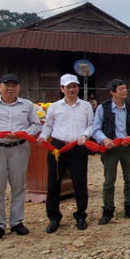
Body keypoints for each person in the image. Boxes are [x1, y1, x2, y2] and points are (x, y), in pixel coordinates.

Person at [0, 73, 42, 242]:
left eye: (14, 85)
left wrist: (23, 134)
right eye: (7, 84)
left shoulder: (26, 105)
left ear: (19, 87)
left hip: (19, 148)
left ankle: (16, 221)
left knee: (18, 186)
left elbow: (36, 125)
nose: (10, 88)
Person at [38, 74, 94, 233]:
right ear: (62, 89)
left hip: (77, 146)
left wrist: (85, 135)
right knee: (54, 183)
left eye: (74, 86)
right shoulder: (55, 107)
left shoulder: (85, 106)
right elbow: (48, 126)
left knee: (80, 183)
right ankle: (54, 217)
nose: (72, 89)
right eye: (68, 87)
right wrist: (43, 137)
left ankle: (81, 215)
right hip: (57, 147)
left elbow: (90, 125)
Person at [93, 78, 130, 224]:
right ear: (112, 92)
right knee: (109, 180)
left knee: (129, 179)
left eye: (125, 88)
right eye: (121, 89)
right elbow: (95, 128)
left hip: (127, 148)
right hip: (110, 149)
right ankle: (108, 210)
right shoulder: (104, 108)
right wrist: (104, 140)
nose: (125, 91)